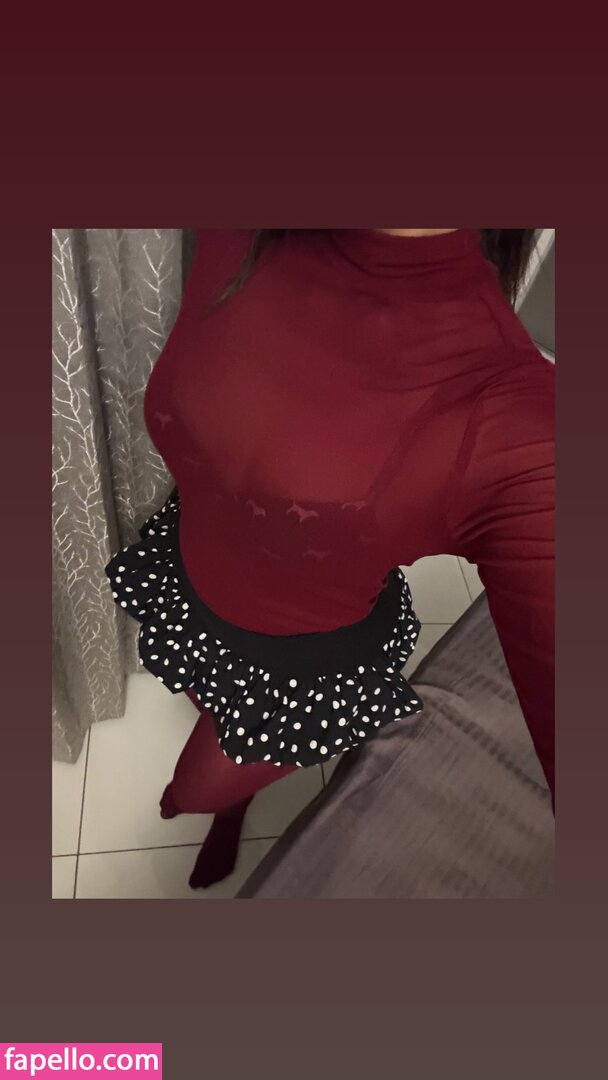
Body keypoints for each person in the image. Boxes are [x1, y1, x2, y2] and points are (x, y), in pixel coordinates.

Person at [105, 227, 554, 888]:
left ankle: (226, 800)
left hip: (304, 666)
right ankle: (233, 796)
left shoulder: (517, 417)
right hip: (191, 577)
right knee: (210, 703)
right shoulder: (240, 223)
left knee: (194, 787)